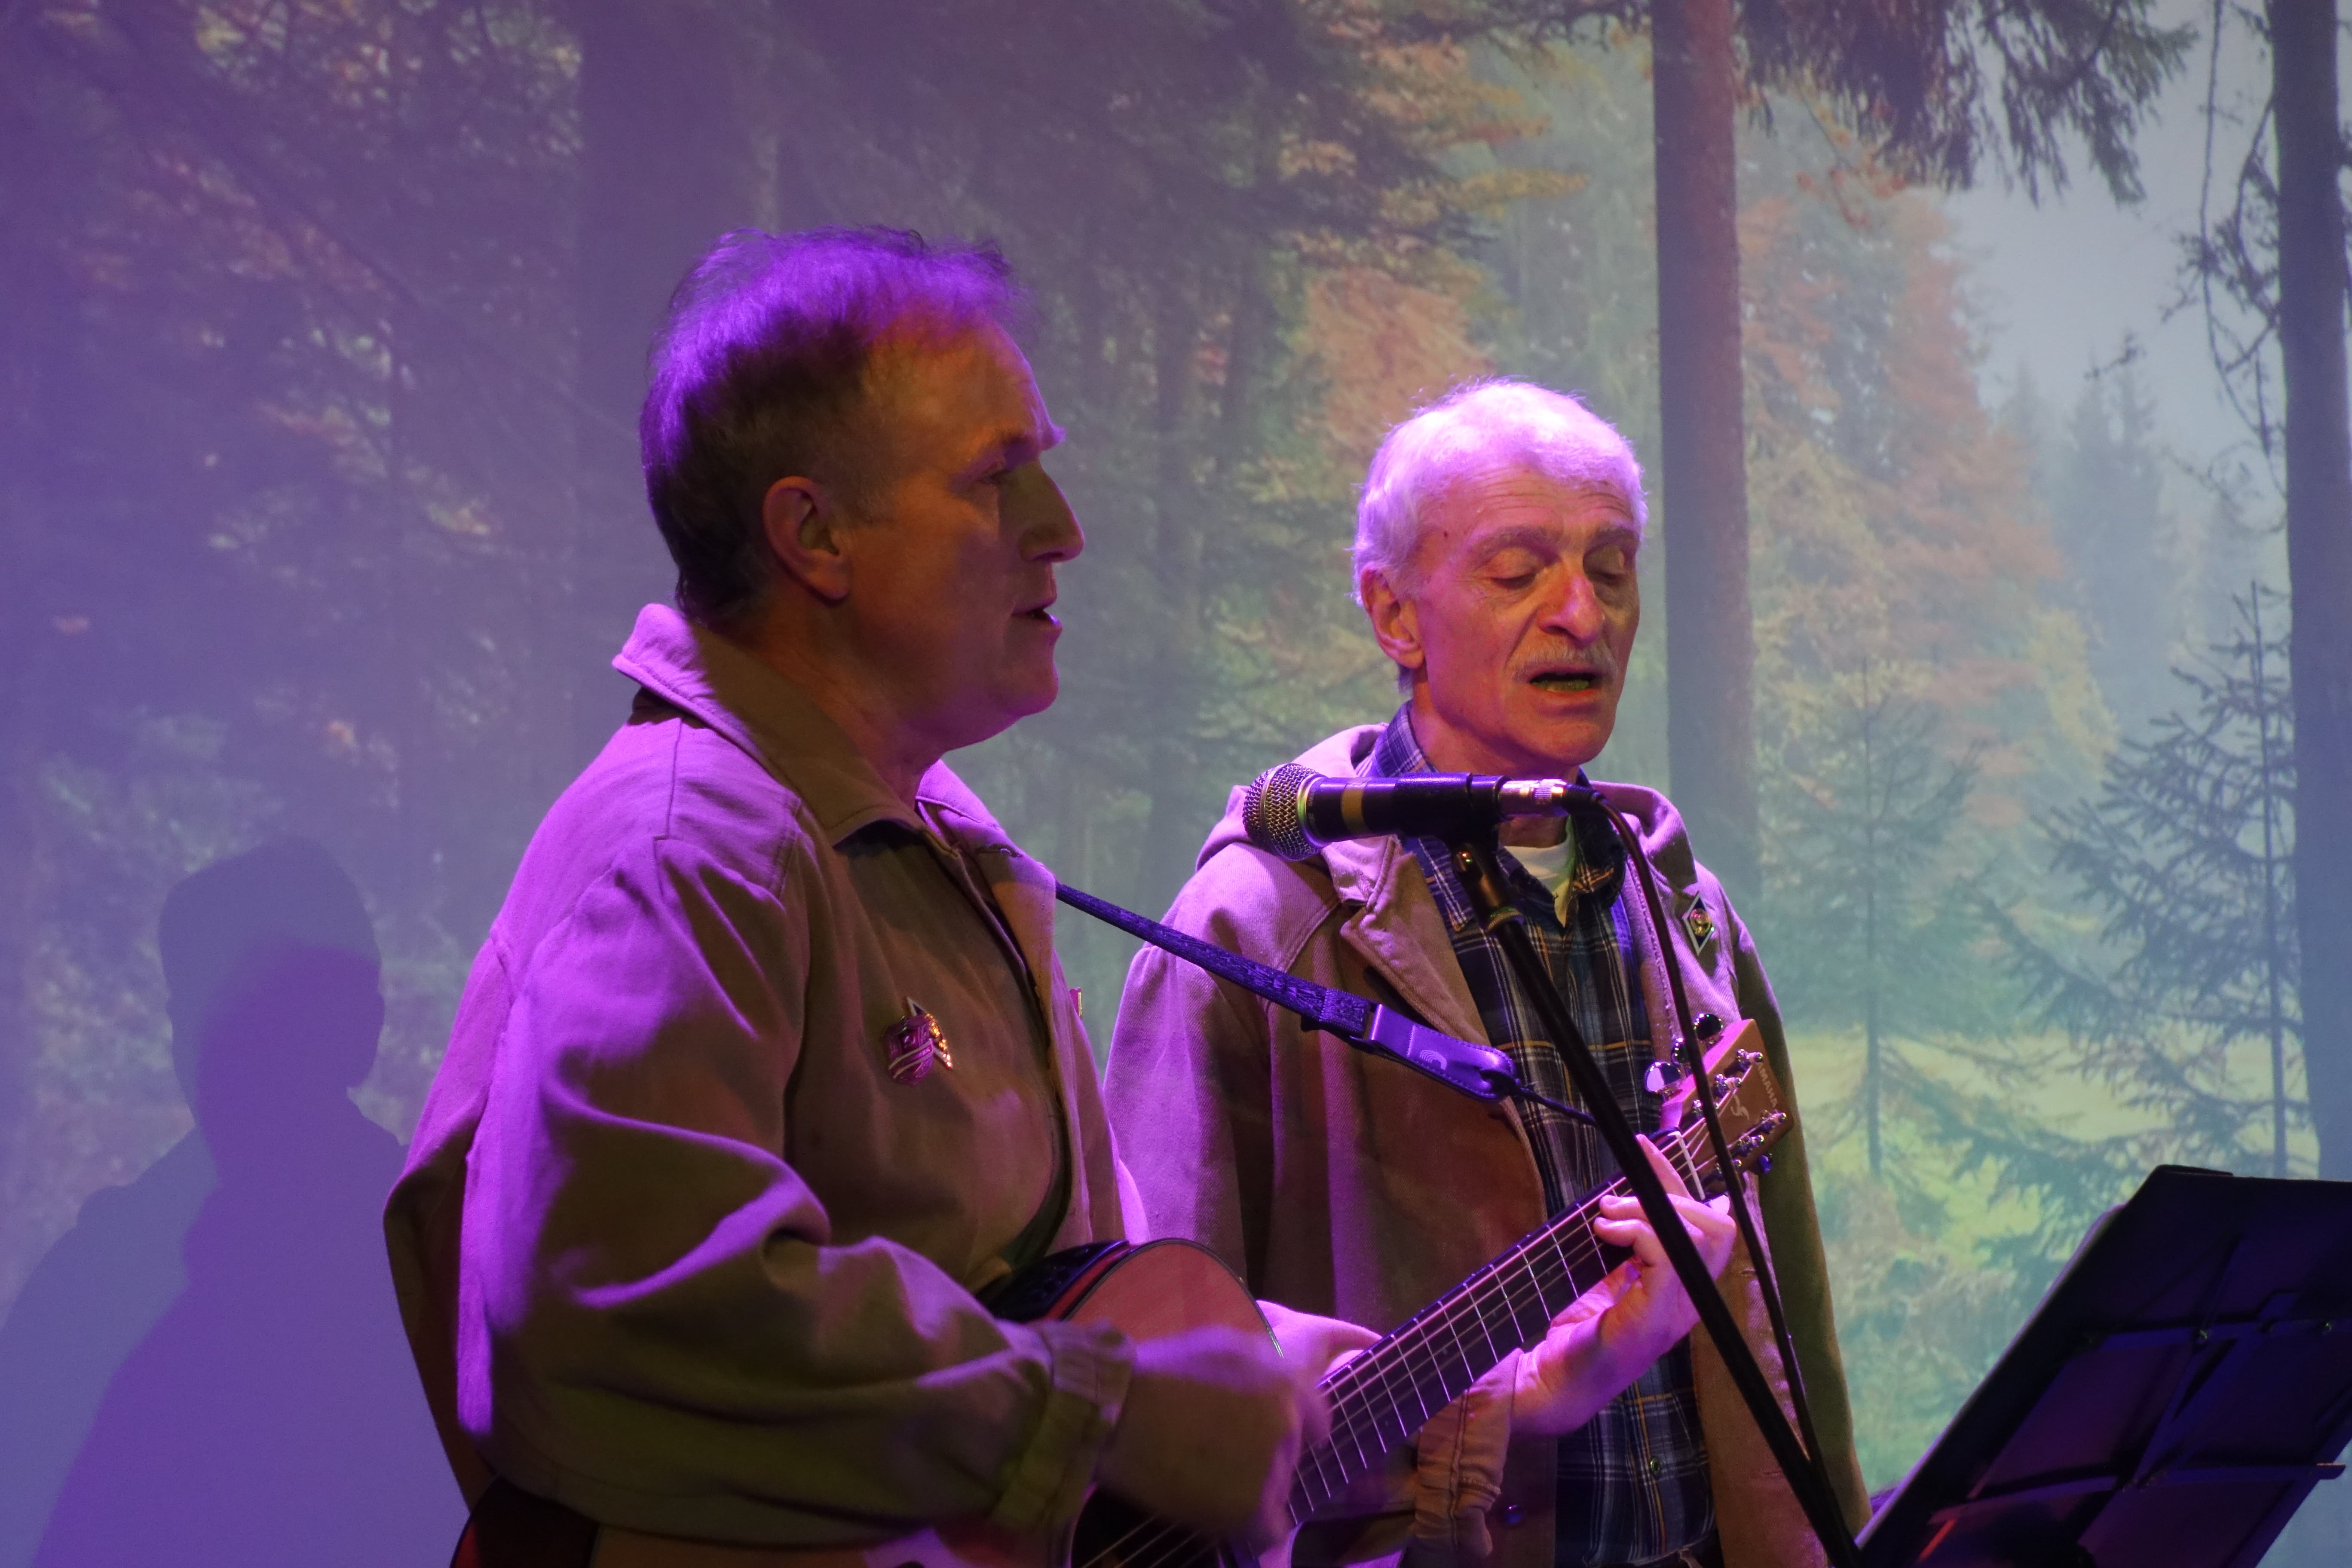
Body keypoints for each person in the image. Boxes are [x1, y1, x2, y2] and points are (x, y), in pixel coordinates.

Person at [382, 227, 1370, 1562]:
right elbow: (638, 1316)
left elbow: (1058, 1291)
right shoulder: (687, 852)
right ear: (816, 535)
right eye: (999, 477)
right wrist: (1106, 1415)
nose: (1063, 530)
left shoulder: (934, 837)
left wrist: (1316, 1384)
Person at [1106, 381, 1873, 1568]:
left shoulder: (1690, 914)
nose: (1582, 613)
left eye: (1612, 570)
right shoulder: (1254, 926)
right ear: (1394, 614)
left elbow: (1792, 1340)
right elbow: (1158, 1384)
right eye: (1520, 573)